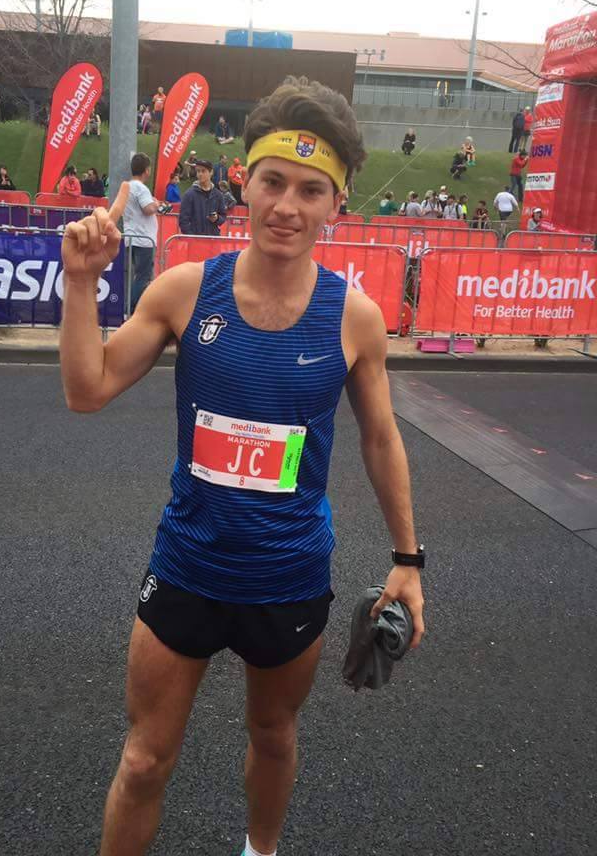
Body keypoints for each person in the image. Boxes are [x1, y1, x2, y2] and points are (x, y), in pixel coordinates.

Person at [59, 75, 425, 856]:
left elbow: (380, 438)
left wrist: (408, 561)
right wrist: (82, 283)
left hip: (289, 577)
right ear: (245, 185)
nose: (287, 206)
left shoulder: (355, 318)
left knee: (273, 736)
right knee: (144, 759)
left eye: (310, 190)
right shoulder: (186, 291)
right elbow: (87, 390)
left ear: (336, 203)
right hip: (188, 567)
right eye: (272, 182)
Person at [120, 153, 161, 312]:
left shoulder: (128, 187)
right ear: (147, 170)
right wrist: (156, 204)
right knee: (143, 277)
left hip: (131, 236)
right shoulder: (141, 188)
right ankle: (130, 309)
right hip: (144, 238)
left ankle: (134, 308)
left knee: (137, 276)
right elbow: (147, 209)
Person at [178, 160, 227, 236]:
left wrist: (217, 218)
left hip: (213, 238)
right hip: (195, 239)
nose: (200, 174)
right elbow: (183, 220)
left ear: (211, 172)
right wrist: (192, 237)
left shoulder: (218, 195)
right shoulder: (189, 194)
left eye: (203, 171)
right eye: (198, 171)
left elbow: (223, 216)